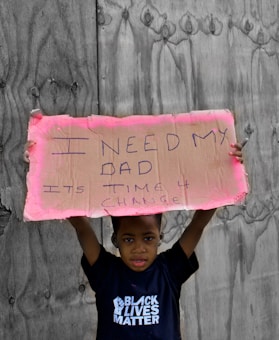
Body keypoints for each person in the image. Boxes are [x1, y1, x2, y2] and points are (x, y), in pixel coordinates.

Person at [24, 141, 245, 339]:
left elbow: (197, 224)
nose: (139, 248)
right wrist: (45, 167)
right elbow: (82, 228)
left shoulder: (169, 270)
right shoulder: (106, 273)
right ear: (116, 240)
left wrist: (224, 171)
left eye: (148, 238)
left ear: (160, 237)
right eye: (128, 240)